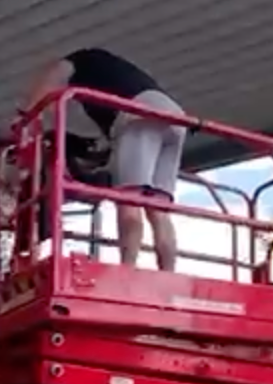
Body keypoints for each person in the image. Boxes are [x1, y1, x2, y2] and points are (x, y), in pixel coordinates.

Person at [23, 48, 187, 272]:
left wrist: (25, 120)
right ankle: (168, 273)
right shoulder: (107, 74)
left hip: (139, 113)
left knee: (129, 200)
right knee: (158, 208)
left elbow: (43, 96)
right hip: (175, 117)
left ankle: (127, 269)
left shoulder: (75, 63)